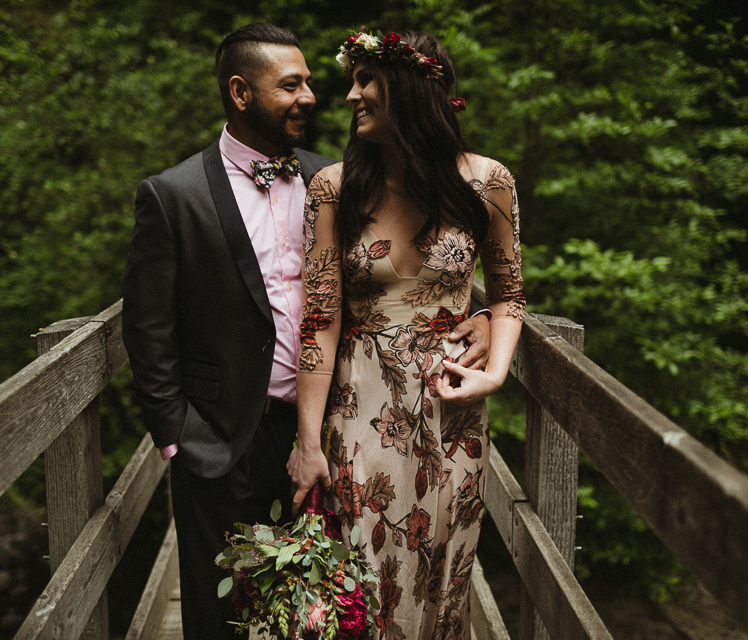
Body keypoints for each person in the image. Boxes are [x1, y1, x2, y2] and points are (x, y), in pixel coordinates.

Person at [121, 23, 491, 639]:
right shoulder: (173, 196)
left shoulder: (340, 180)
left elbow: (409, 266)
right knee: (221, 616)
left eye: (310, 83)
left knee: (326, 611)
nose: (311, 97)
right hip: (222, 438)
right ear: (241, 93)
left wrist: (479, 313)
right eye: (289, 85)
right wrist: (176, 435)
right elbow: (148, 327)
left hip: (336, 431)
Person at [287, 30, 525, 640]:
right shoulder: (335, 189)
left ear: (414, 91)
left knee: (444, 570)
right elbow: (320, 317)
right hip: (358, 407)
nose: (350, 95)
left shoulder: (487, 181)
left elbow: (507, 296)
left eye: (367, 81)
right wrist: (308, 441)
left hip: (453, 409)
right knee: (361, 575)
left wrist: (493, 372)